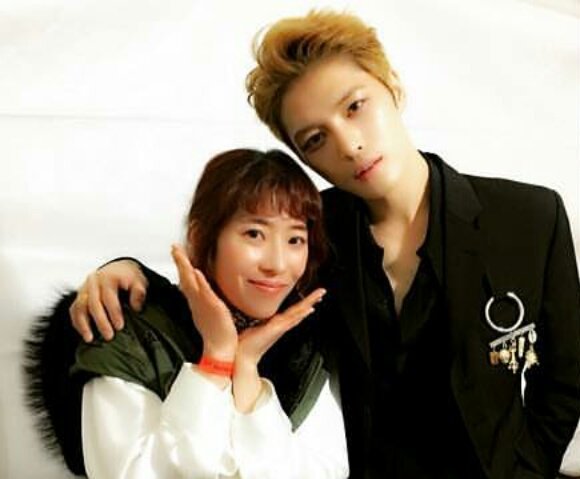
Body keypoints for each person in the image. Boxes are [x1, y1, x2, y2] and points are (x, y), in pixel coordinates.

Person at [66, 10, 580, 479]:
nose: (349, 145)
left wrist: (526, 471)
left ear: (392, 86)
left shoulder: (529, 218)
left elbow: (566, 377)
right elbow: (223, 284)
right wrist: (126, 269)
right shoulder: (308, 235)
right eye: (315, 139)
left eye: (355, 107)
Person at [24, 148, 349, 478]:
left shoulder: (306, 344)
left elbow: (324, 472)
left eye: (295, 239)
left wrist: (247, 369)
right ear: (200, 237)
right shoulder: (125, 331)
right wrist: (216, 359)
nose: (277, 264)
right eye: (254, 234)